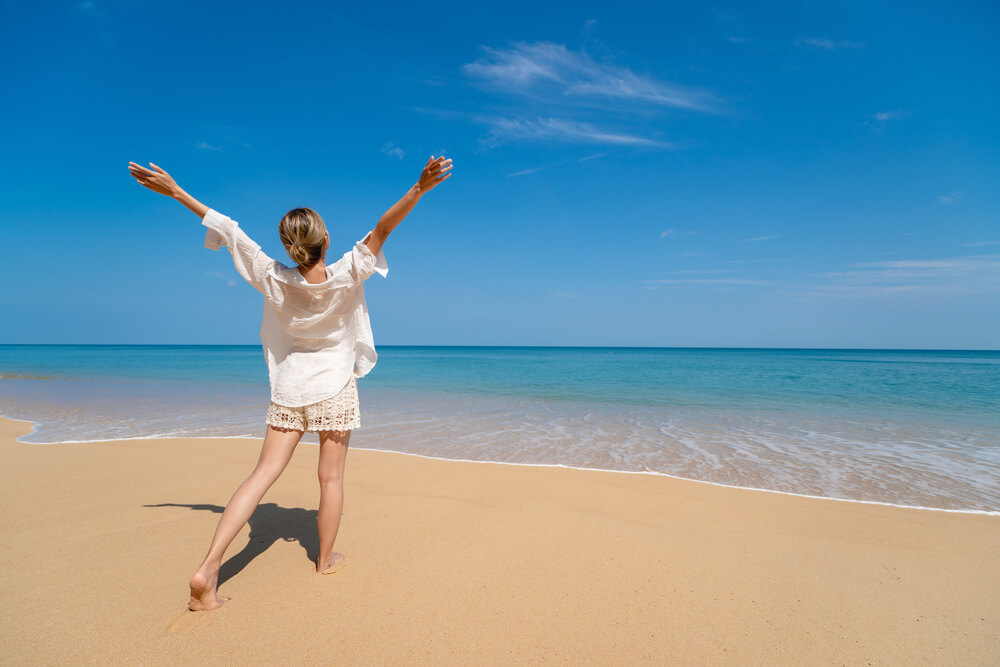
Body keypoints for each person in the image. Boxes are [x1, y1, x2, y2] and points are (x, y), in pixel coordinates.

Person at [127, 155, 453, 611]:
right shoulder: (347, 271)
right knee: (331, 478)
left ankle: (208, 568)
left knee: (261, 476)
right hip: (335, 387)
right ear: (325, 240)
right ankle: (324, 560)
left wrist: (177, 192)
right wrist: (420, 187)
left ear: (289, 245)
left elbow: (229, 230)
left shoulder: (273, 277)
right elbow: (383, 228)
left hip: (289, 390)